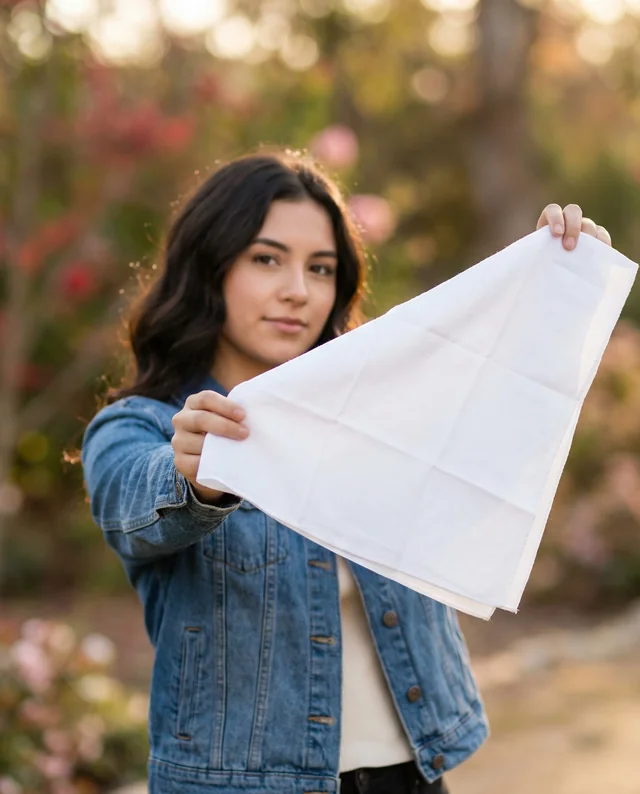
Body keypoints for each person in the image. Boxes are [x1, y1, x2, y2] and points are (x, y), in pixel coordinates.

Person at [81, 149, 612, 794]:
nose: (298, 291)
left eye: (322, 267)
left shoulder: (380, 411)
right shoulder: (142, 427)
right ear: (210, 266)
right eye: (266, 258)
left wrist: (555, 289)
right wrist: (193, 474)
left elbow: (500, 423)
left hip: (410, 774)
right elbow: (130, 507)